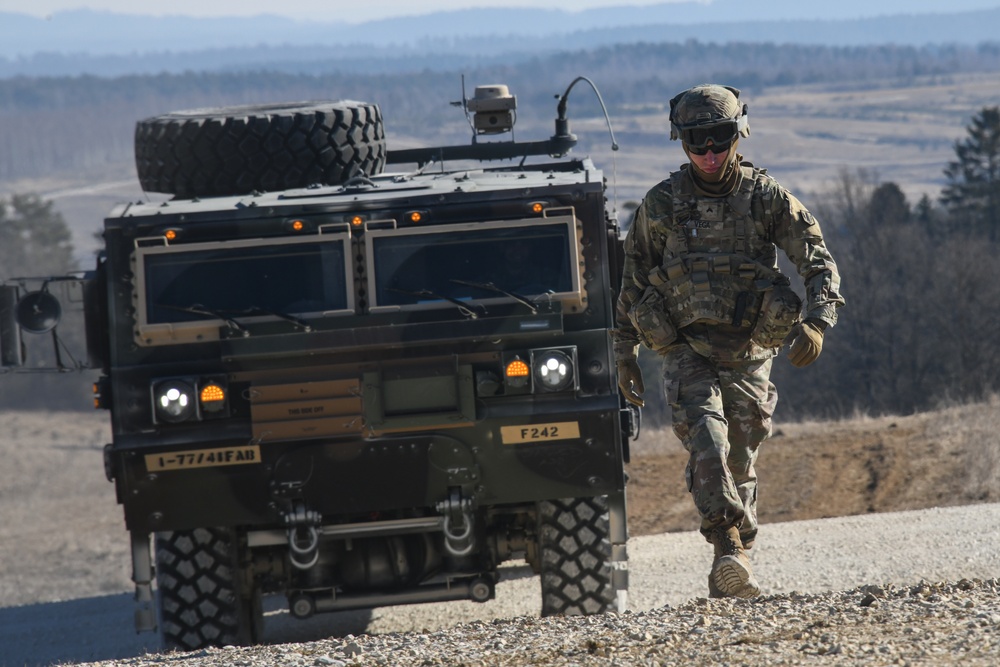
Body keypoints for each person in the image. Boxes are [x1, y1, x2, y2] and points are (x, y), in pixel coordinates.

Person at [611, 84, 844, 598]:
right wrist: (624, 351)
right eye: (698, 143)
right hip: (685, 349)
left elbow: (817, 260)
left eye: (719, 140)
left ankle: (734, 555)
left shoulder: (766, 198)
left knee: (740, 459)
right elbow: (633, 280)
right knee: (708, 443)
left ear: (739, 135)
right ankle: (727, 550)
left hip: (749, 352)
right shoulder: (662, 205)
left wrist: (817, 322)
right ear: (681, 143)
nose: (710, 154)